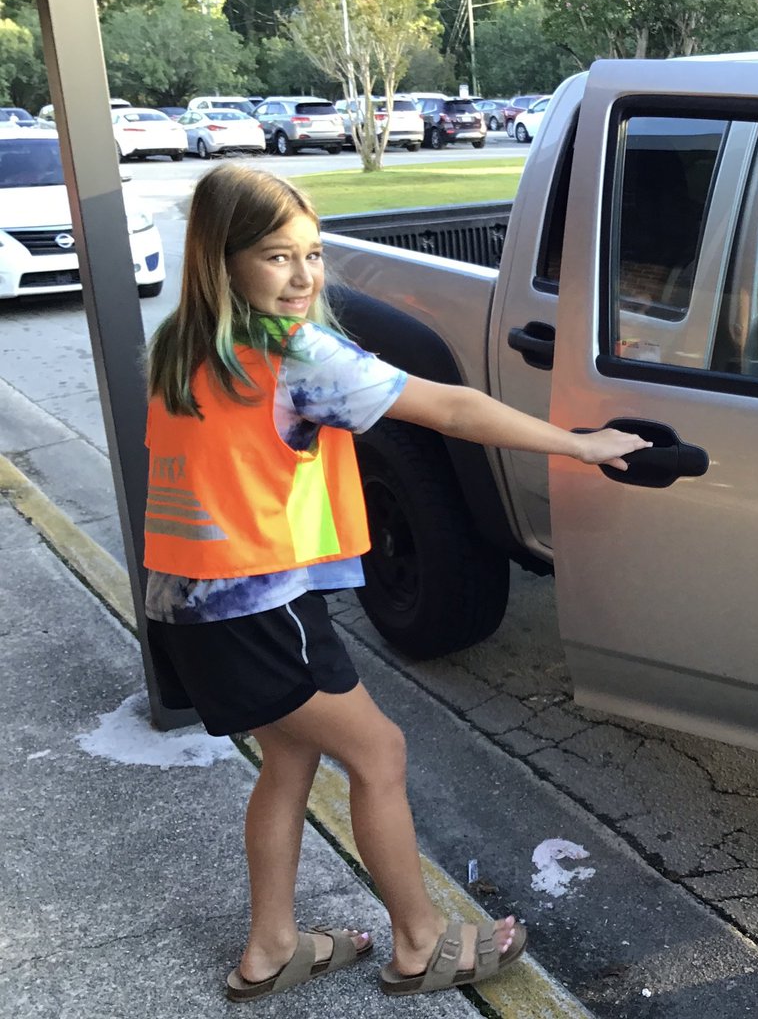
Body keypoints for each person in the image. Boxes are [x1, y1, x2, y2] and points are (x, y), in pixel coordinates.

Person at [142, 164, 650, 1002]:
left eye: (312, 254)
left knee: (288, 761)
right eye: (276, 256)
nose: (303, 277)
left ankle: (270, 947)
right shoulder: (294, 354)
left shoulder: (186, 346)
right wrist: (581, 443)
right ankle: (420, 945)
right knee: (379, 752)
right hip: (256, 607)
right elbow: (450, 409)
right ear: (222, 262)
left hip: (192, 604)